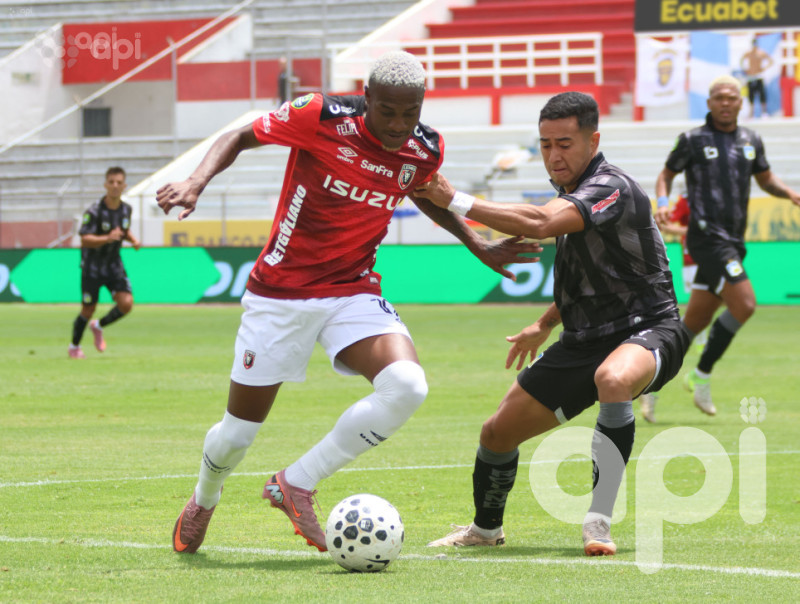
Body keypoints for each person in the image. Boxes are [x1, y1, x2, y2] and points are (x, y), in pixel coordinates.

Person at [158, 50, 541, 554]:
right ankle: (204, 498)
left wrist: (478, 244)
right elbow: (239, 135)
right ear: (367, 100)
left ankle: (296, 483)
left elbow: (425, 192)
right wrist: (195, 181)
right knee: (237, 434)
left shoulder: (425, 148)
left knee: (406, 385)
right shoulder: (318, 116)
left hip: (353, 288)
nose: (400, 125)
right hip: (281, 293)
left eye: (411, 113)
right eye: (389, 111)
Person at [419, 91, 690, 556]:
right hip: (584, 339)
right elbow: (590, 278)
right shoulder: (571, 196)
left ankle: (599, 520)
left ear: (593, 140)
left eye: (564, 143)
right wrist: (544, 324)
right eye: (545, 144)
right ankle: (485, 530)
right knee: (496, 434)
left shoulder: (611, 188)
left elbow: (542, 224)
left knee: (614, 378)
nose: (553, 154)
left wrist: (455, 199)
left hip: (649, 328)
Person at [655, 75, 800, 416]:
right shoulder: (691, 140)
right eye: (718, 97)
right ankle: (701, 375)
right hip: (707, 238)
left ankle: (651, 379)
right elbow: (666, 173)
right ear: (709, 103)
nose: (725, 102)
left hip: (735, 239)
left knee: (693, 323)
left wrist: (790, 192)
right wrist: (662, 199)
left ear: (740, 102)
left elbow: (765, 179)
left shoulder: (751, 140)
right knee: (745, 304)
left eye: (731, 97)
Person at [638, 193, 706, 423]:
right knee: (681, 330)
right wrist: (689, 233)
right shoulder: (687, 200)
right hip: (695, 263)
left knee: (688, 327)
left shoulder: (719, 193)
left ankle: (652, 389)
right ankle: (651, 389)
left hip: (716, 259)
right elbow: (664, 223)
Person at [68, 166, 140, 359]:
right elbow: (84, 238)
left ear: (124, 186)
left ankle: (98, 326)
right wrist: (107, 238)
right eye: (111, 182)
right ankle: (74, 347)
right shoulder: (94, 211)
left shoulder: (127, 209)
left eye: (119, 183)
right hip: (92, 267)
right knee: (88, 309)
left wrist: (132, 240)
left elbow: (123, 230)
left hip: (114, 265)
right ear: (105, 185)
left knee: (126, 304)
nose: (115, 186)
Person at [740, 37, 774, 119]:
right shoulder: (748, 53)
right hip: (751, 76)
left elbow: (771, 61)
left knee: (762, 94)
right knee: (751, 95)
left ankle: (764, 112)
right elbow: (741, 61)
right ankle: (751, 113)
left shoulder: (761, 53)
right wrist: (745, 69)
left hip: (759, 76)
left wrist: (764, 68)